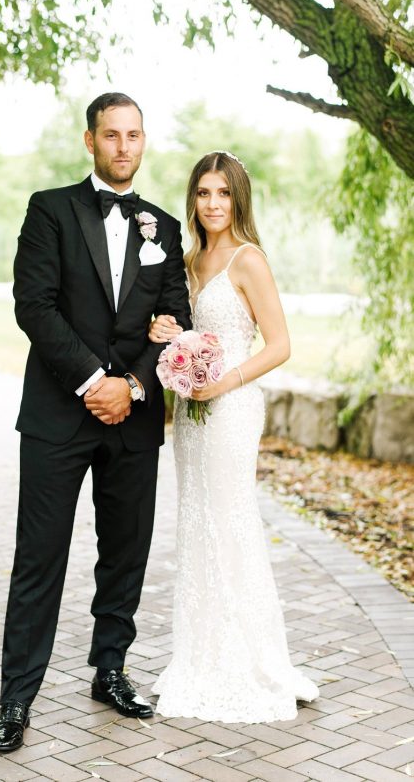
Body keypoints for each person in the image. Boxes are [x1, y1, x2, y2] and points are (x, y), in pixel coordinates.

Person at [0, 92, 191, 752]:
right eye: (111, 135)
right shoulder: (50, 209)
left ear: (143, 140)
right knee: (39, 557)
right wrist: (92, 381)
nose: (123, 146)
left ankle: (110, 671)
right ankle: (16, 698)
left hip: (132, 419)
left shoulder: (164, 227)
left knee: (125, 552)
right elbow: (34, 305)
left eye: (134, 134)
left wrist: (131, 385)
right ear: (90, 140)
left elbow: (175, 319)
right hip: (58, 414)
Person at [149, 151, 319, 723]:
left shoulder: (249, 261)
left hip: (232, 408)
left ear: (238, 198)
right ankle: (201, 655)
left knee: (231, 521)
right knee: (196, 523)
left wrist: (222, 382)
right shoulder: (188, 260)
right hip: (190, 414)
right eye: (203, 193)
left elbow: (280, 344)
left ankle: (254, 661)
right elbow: (181, 330)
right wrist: (164, 332)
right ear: (192, 199)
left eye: (223, 193)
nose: (213, 203)